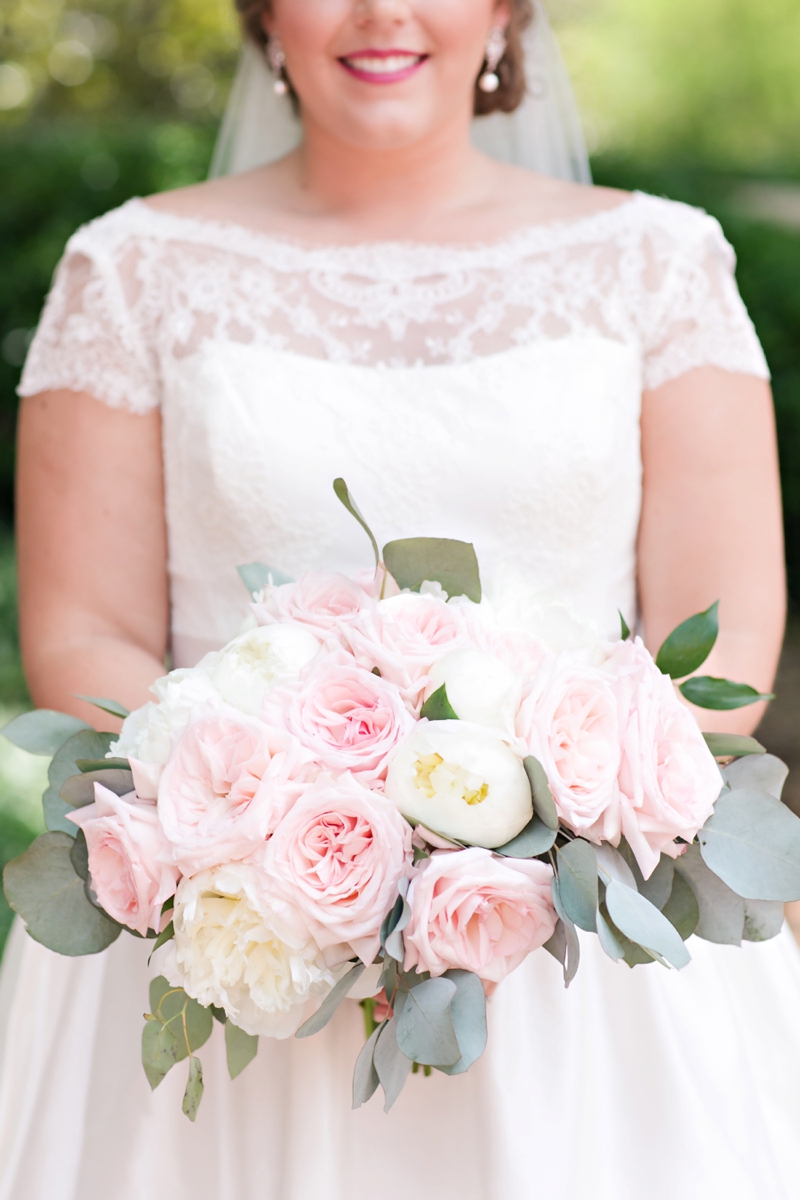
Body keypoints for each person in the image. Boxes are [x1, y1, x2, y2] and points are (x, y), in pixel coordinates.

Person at [1, 1, 798, 1197]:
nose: (381, 11)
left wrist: (522, 835)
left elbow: (723, 633)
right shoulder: (129, 271)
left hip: (582, 955)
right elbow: (78, 631)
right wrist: (269, 823)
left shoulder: (660, 267)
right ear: (266, 12)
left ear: (505, 10)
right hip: (224, 939)